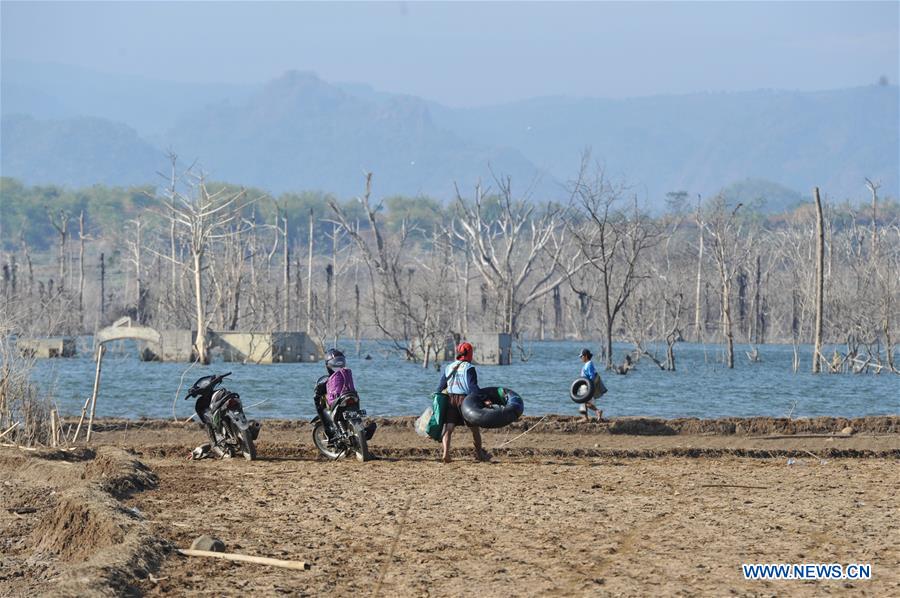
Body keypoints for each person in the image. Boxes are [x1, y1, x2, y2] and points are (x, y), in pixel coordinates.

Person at [435, 341, 491, 463]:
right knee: (474, 428)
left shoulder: (449, 367)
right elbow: (473, 387)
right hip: (466, 401)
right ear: (470, 354)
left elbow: (440, 386)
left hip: (451, 399)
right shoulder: (469, 368)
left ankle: (446, 454)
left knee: (448, 428)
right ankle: (479, 454)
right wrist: (485, 399)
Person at [317, 348, 374, 440]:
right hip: (352, 395)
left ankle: (343, 434)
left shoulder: (330, 378)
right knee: (355, 415)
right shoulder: (347, 372)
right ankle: (362, 431)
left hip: (339, 400)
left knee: (333, 412)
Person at [578, 348, 604, 422]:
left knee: (585, 402)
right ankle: (586, 417)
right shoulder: (587, 364)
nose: (581, 358)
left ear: (586, 356)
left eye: (581, 356)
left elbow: (592, 376)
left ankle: (597, 411)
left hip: (587, 386)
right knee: (583, 402)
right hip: (584, 385)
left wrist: (589, 387)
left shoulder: (589, 364)